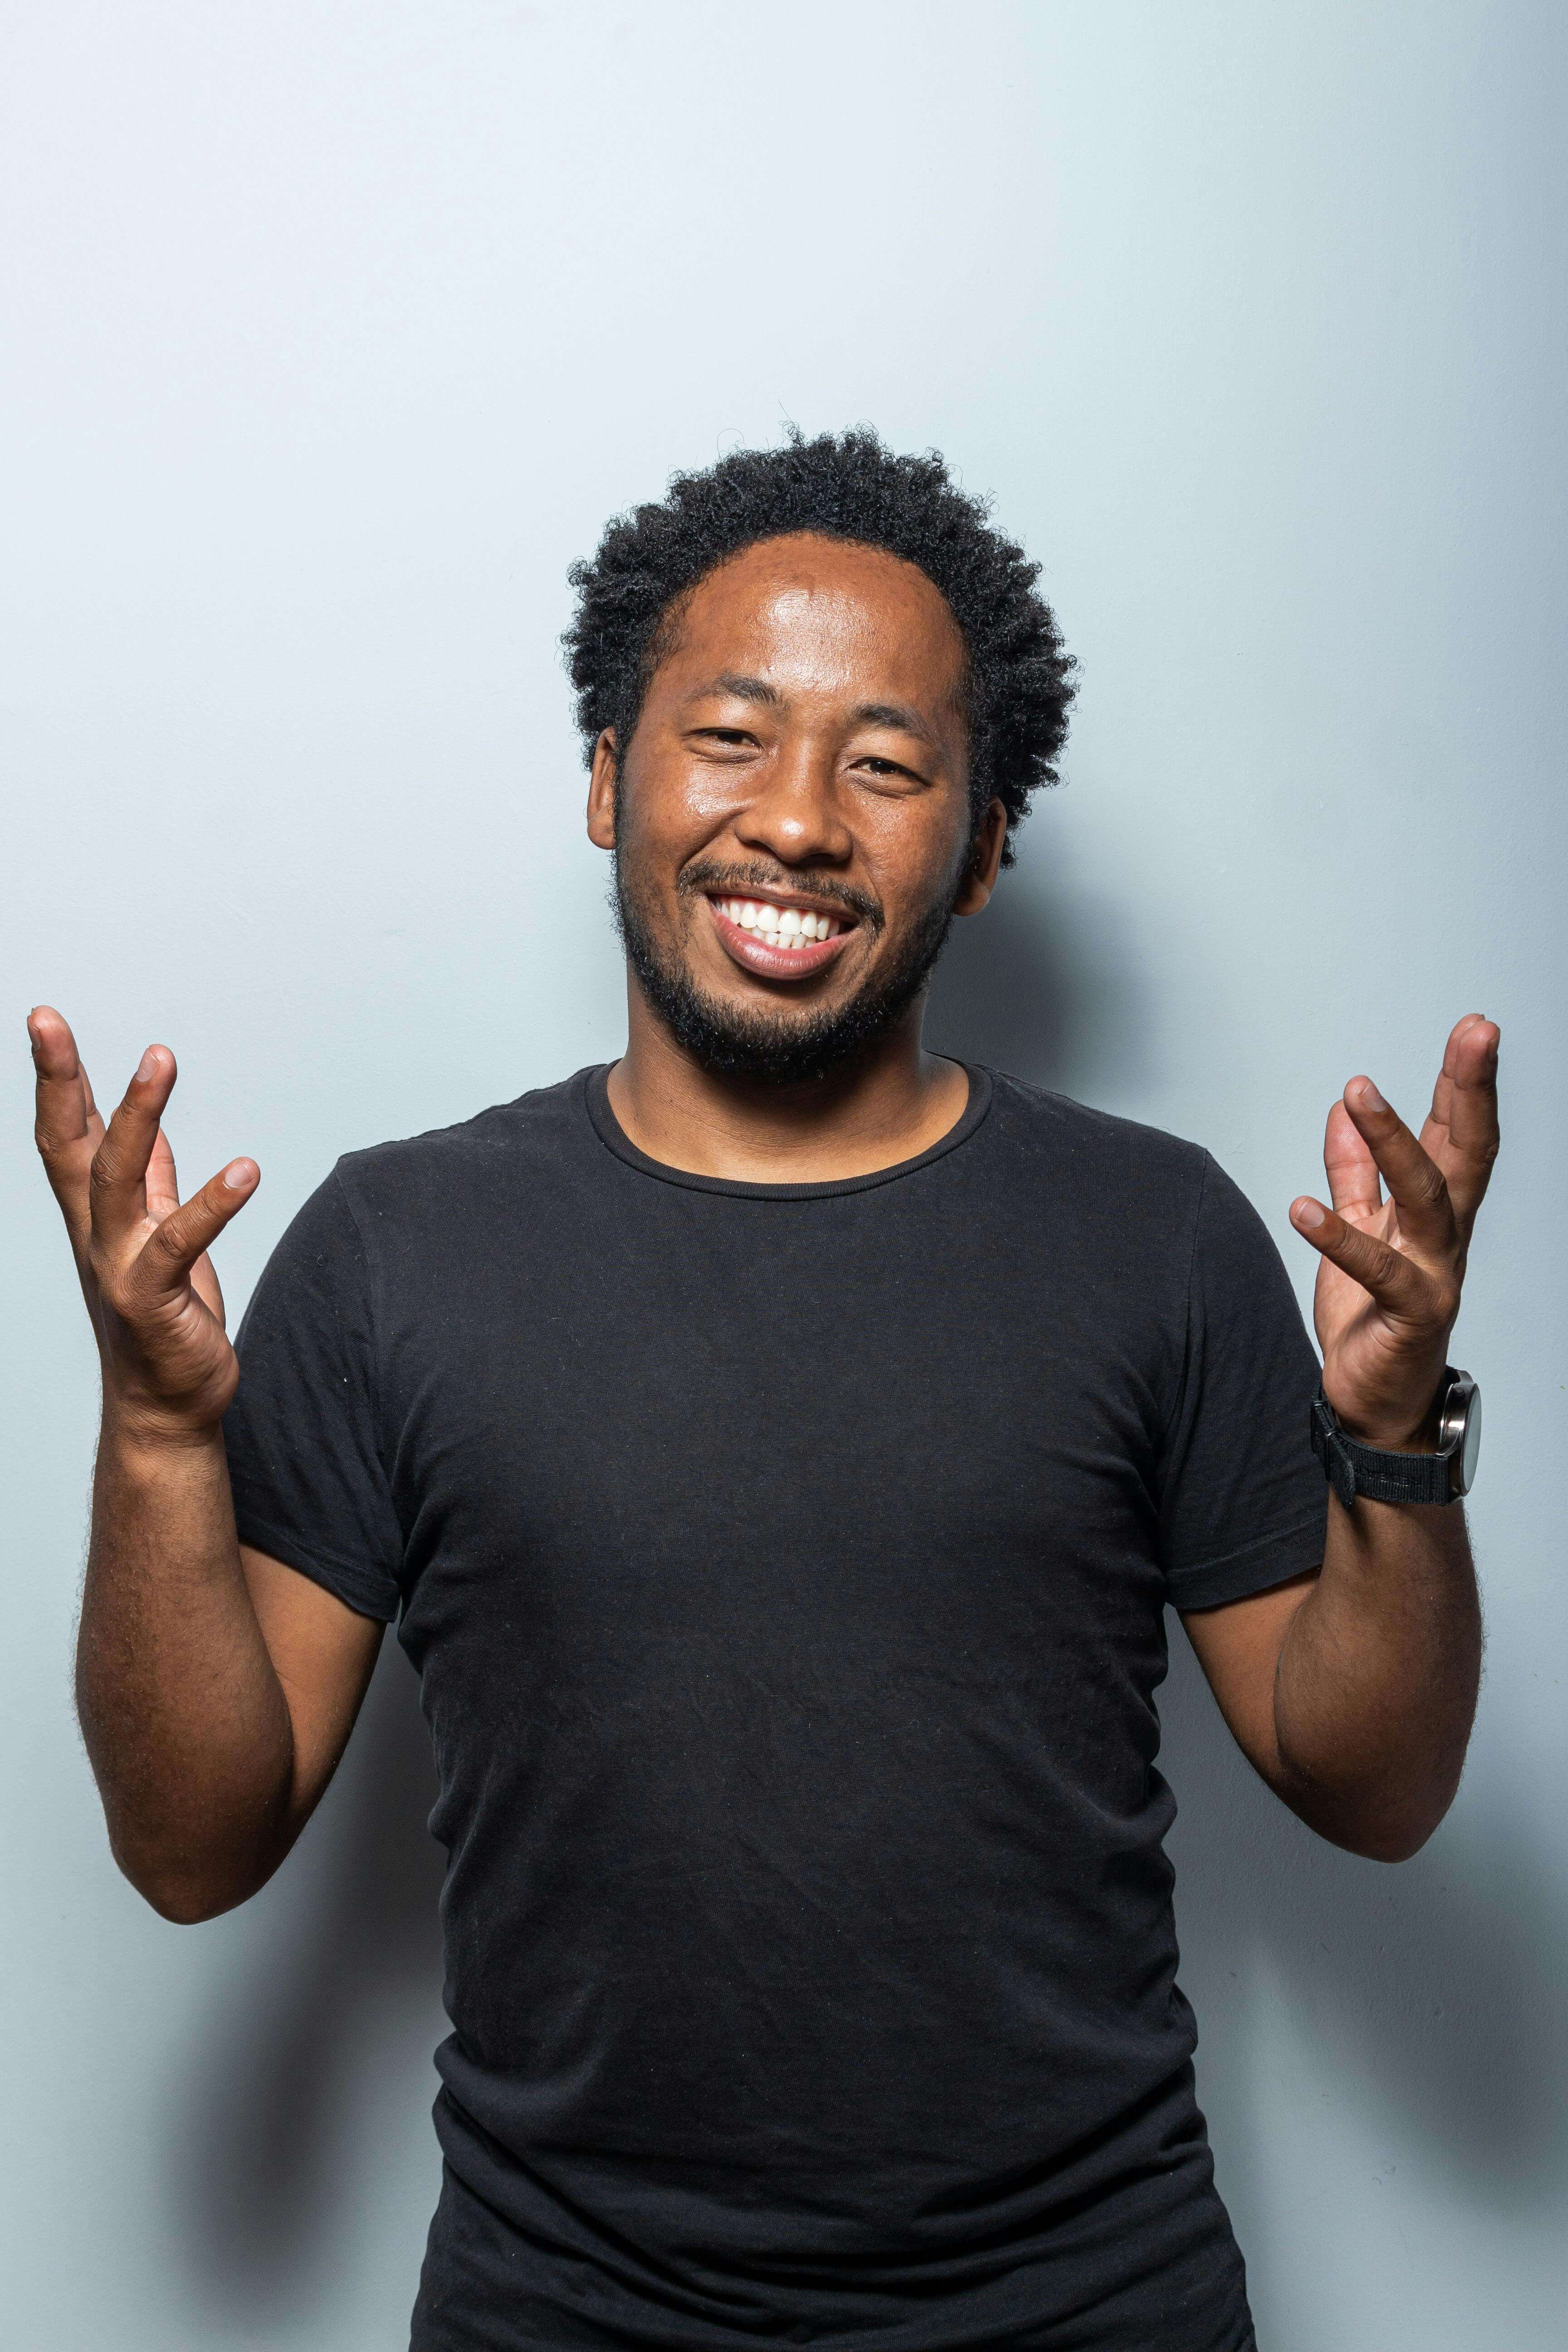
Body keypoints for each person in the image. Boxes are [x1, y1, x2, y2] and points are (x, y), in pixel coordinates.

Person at [29, 429, 1498, 2352]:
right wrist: (153, 1434)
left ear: (979, 847)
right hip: (565, 2309)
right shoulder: (400, 1249)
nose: (798, 820)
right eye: (729, 736)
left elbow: (1372, 1790)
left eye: (886, 765)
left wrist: (1391, 1442)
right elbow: (191, 1847)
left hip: (1092, 2303)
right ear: (603, 778)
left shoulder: (1156, 1234)